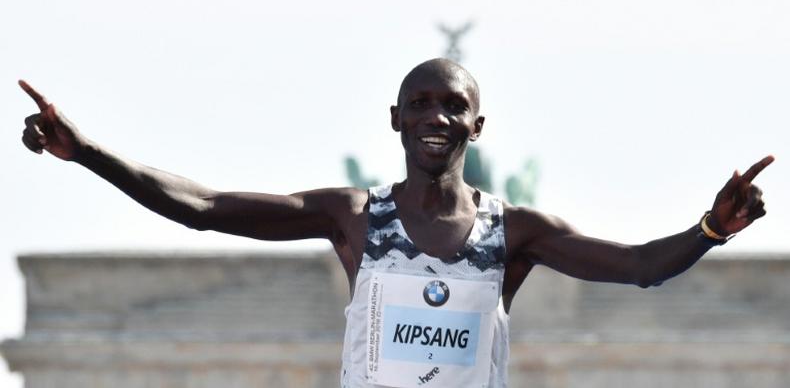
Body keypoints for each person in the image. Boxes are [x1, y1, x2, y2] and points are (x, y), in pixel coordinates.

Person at [18, 58, 773, 388]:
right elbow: (206, 209)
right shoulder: (353, 217)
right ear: (395, 121)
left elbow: (641, 267)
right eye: (420, 103)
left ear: (477, 125)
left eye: (452, 105)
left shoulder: (516, 232)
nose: (435, 117)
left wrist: (710, 228)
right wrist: (86, 152)